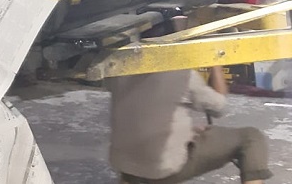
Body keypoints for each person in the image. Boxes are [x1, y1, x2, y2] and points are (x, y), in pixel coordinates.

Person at [107, 35, 272, 183]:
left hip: (126, 166)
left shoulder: (121, 70)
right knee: (251, 137)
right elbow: (220, 107)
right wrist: (215, 63)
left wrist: (185, 132)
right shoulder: (182, 74)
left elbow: (145, 108)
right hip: (162, 170)